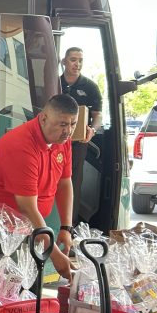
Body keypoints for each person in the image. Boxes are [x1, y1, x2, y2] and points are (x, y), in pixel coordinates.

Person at [0, 94, 77, 279]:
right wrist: (55, 254)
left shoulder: (62, 141)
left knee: (29, 284)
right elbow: (27, 208)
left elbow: (64, 182)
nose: (68, 131)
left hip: (30, 225)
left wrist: (66, 228)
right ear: (43, 118)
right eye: (63, 124)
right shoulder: (22, 146)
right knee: (1, 289)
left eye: (73, 124)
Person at [60, 47, 102, 225]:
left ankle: (70, 225)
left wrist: (92, 130)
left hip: (78, 143)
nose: (77, 64)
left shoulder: (90, 86)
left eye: (80, 60)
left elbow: (98, 116)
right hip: (55, 142)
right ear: (64, 62)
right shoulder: (54, 83)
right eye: (73, 60)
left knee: (73, 183)